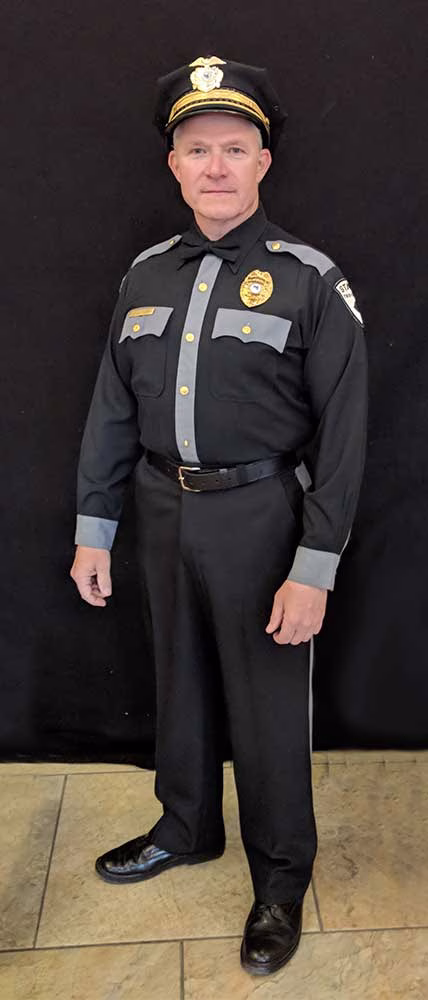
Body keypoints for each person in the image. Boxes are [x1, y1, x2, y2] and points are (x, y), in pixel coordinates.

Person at [71, 55, 367, 977]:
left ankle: (280, 879)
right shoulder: (145, 275)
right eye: (197, 149)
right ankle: (186, 826)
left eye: (235, 148)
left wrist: (314, 566)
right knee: (181, 680)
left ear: (263, 162)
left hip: (260, 515)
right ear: (174, 165)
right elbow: (111, 408)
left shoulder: (309, 279)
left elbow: (346, 434)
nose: (215, 167)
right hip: (161, 506)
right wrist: (93, 527)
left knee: (267, 706)